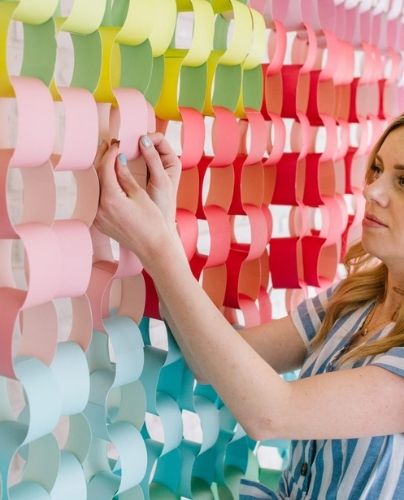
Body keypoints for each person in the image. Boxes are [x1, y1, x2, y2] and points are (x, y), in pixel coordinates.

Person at [92, 115, 404, 499]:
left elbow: (272, 413)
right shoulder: (353, 300)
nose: (373, 190)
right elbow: (211, 361)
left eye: (402, 181)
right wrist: (163, 225)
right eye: (376, 169)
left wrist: (157, 247)